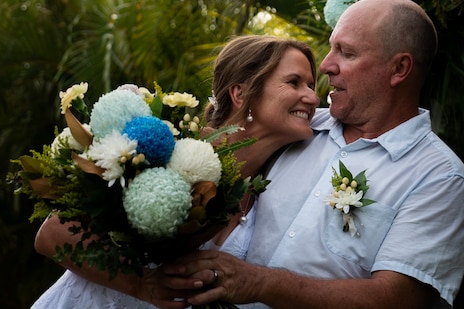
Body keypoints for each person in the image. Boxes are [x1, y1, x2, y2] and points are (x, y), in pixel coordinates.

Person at [162, 0, 464, 308]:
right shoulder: (296, 125)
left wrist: (259, 282)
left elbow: (395, 300)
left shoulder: (439, 176)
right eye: (331, 47)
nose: (325, 65)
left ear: (399, 69)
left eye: (347, 53)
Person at [31, 35, 320, 309]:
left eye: (311, 85)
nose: (312, 98)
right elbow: (52, 236)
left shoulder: (263, 193)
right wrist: (142, 285)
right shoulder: (165, 147)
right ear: (240, 94)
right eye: (294, 83)